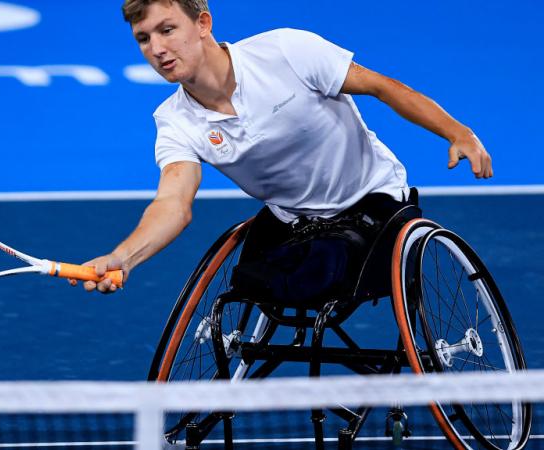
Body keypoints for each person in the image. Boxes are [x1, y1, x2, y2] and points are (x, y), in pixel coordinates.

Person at [76, 0, 492, 294]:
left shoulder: (285, 51)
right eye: (144, 38)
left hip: (372, 202)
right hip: (293, 221)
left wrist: (458, 132)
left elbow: (382, 87)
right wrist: (124, 257)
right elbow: (173, 203)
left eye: (168, 30)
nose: (158, 49)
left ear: (203, 23)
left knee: (319, 270)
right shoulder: (174, 121)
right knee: (243, 286)